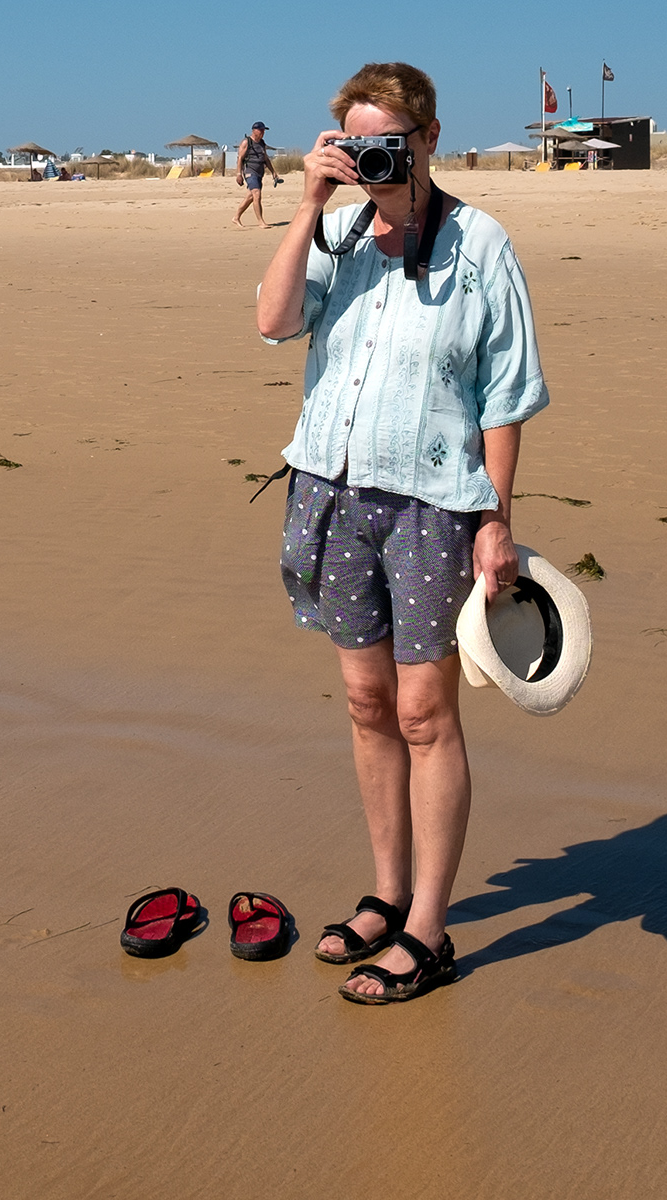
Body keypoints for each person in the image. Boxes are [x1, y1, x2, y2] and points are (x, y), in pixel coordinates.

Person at [255, 61, 548, 1006]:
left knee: (426, 714)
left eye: (389, 141)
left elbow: (505, 400)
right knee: (365, 704)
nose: (374, 158)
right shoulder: (338, 235)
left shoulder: (481, 245)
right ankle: (386, 894)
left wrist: (496, 523)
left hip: (431, 508)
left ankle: (429, 928)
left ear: (427, 138)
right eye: (356, 140)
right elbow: (271, 321)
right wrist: (308, 202)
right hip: (331, 496)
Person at [232, 121, 279, 227]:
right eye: (261, 130)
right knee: (257, 194)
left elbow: (266, 158)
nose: (263, 132)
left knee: (251, 196)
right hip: (250, 172)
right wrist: (238, 174)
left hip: (259, 173)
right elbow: (240, 158)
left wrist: (273, 172)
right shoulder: (246, 142)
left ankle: (236, 217)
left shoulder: (262, 143)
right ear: (254, 130)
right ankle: (261, 222)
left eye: (264, 130)